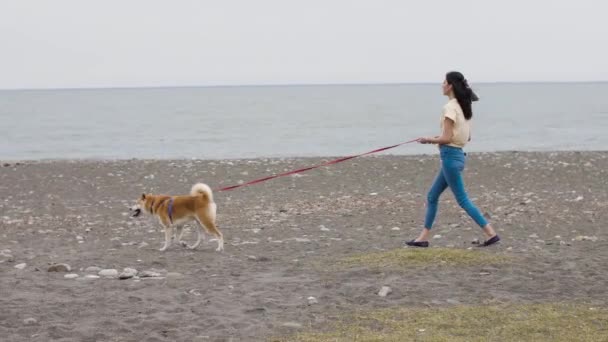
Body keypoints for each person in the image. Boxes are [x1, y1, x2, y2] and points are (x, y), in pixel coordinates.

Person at [405, 71, 499, 248]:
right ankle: (422, 238)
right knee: (432, 196)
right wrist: (439, 137)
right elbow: (465, 137)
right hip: (457, 156)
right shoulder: (464, 107)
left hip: (450, 157)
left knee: (463, 200)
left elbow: (447, 139)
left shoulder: (449, 108)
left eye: (443, 82)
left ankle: (491, 233)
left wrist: (428, 139)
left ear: (450, 86)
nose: (441, 85)